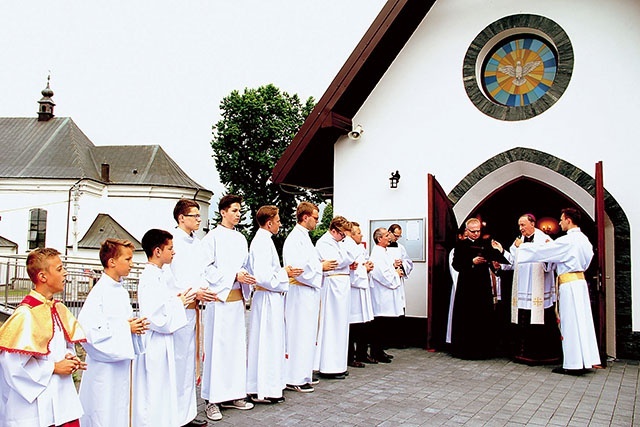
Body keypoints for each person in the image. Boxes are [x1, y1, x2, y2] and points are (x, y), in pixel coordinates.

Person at [0, 248, 86, 427]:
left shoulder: (57, 309)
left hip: (61, 401)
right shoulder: (25, 315)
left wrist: (69, 357)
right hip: (36, 407)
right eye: (60, 269)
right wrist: (53, 367)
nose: (65, 273)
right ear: (42, 276)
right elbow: (13, 365)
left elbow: (59, 345)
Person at [512, 208, 600, 375]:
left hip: (569, 284)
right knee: (582, 322)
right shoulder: (584, 240)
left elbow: (543, 252)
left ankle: (572, 364)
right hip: (580, 282)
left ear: (568, 220)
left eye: (561, 219)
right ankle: (585, 360)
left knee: (569, 324)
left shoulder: (568, 240)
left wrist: (522, 247)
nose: (559, 223)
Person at [78, 238, 150, 427]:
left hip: (120, 365)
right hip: (104, 369)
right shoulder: (99, 293)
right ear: (112, 262)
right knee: (103, 411)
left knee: (119, 410)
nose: (132, 264)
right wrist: (126, 329)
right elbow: (89, 331)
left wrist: (135, 327)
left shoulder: (121, 290)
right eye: (127, 259)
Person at [134, 229, 197, 427]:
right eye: (170, 248)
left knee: (165, 385)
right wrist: (180, 303)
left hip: (164, 340)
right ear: (157, 251)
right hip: (155, 341)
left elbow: (165, 303)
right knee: (156, 387)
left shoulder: (160, 274)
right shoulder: (150, 277)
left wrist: (177, 301)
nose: (174, 252)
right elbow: (155, 316)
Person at [200, 195, 255, 421]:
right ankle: (212, 400)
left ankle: (235, 394)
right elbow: (206, 268)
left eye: (240, 210)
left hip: (236, 301)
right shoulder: (212, 238)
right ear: (223, 212)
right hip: (219, 302)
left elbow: (245, 264)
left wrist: (245, 277)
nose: (238, 214)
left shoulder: (241, 238)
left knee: (235, 350)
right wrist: (232, 275)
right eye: (234, 210)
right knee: (218, 350)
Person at [246, 206, 302, 404]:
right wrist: (284, 272)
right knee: (267, 341)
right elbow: (263, 277)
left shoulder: (265, 240)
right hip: (267, 297)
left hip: (271, 297)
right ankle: (263, 388)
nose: (280, 224)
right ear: (269, 223)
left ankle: (269, 385)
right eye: (278, 220)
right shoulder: (261, 242)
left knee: (272, 341)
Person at [283, 201, 336, 393]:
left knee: (307, 333)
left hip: (309, 292)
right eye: (315, 217)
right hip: (299, 292)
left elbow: (309, 262)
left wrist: (318, 265)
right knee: (298, 333)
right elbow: (297, 267)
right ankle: (293, 377)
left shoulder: (304, 237)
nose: (317, 221)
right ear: (305, 217)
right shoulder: (294, 238)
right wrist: (320, 267)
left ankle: (304, 373)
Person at [170, 199, 214, 427]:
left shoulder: (197, 243)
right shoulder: (172, 243)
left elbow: (204, 270)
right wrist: (193, 291)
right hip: (180, 310)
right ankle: (175, 415)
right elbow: (172, 279)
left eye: (199, 215)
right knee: (178, 362)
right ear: (181, 218)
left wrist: (204, 287)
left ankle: (187, 412)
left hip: (194, 309)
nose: (199, 219)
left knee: (190, 362)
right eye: (195, 215)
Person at [499, 214, 561, 365]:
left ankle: (541, 355)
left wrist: (524, 247)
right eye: (519, 225)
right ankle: (521, 354)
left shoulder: (544, 240)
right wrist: (501, 254)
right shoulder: (518, 241)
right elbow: (512, 262)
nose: (521, 228)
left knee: (540, 322)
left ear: (533, 223)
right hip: (522, 288)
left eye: (523, 225)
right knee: (522, 321)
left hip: (538, 290)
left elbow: (551, 262)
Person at [314, 216, 359, 379]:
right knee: (332, 324)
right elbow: (336, 261)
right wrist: (348, 260)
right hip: (333, 284)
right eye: (342, 234)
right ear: (333, 230)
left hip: (342, 283)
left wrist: (348, 261)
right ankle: (329, 366)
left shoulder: (338, 242)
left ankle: (338, 364)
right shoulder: (324, 242)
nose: (343, 238)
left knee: (341, 325)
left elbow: (349, 256)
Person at [450, 218, 501, 359]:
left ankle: (484, 350)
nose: (476, 234)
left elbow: (491, 261)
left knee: (483, 316)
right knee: (467, 317)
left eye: (478, 231)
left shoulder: (485, 244)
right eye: (473, 231)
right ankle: (466, 350)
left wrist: (495, 265)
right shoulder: (460, 246)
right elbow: (456, 265)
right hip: (467, 285)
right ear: (467, 231)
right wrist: (471, 262)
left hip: (482, 284)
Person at [368, 228, 403, 363]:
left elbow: (386, 267)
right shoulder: (377, 253)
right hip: (381, 294)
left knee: (385, 324)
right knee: (380, 323)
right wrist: (396, 274)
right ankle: (376, 352)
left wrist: (394, 266)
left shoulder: (384, 252)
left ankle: (380, 350)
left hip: (386, 293)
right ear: (379, 239)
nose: (389, 237)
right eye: (387, 235)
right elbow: (380, 274)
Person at [347, 222, 375, 367]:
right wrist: (364, 268)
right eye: (358, 233)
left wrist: (367, 267)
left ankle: (363, 353)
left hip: (362, 290)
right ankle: (351, 357)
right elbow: (351, 270)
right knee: (353, 326)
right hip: (353, 292)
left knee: (364, 323)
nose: (361, 235)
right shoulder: (348, 248)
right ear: (351, 234)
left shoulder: (359, 248)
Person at [386, 224, 414, 350]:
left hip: (398, 283)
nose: (397, 238)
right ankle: (386, 341)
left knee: (399, 309)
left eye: (399, 236)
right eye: (395, 235)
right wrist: (392, 265)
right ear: (389, 232)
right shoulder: (382, 248)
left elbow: (409, 262)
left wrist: (402, 265)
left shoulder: (400, 248)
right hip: (387, 284)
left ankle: (398, 340)